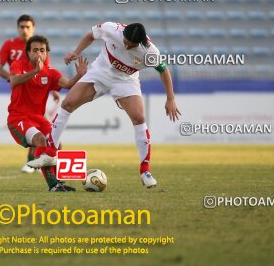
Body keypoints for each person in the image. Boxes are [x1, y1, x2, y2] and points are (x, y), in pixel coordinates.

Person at [44, 22, 181, 188]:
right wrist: (76, 52)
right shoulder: (112, 29)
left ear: (141, 42)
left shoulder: (150, 52)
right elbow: (90, 36)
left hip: (126, 80)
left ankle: (145, 170)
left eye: (131, 46)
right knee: (68, 103)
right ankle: (50, 152)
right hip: (101, 71)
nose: (126, 46)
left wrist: (171, 98)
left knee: (139, 118)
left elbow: (163, 71)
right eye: (125, 42)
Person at [7, 35, 88, 191]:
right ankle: (53, 186)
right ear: (28, 52)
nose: (39, 53)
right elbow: (14, 81)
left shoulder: (51, 72)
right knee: (40, 140)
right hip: (18, 117)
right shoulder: (18, 64)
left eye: (42, 50)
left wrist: (79, 75)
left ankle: (58, 182)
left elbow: (69, 84)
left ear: (47, 53)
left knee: (56, 143)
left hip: (38, 118)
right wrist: (35, 71)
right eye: (35, 50)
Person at [0, 14, 61, 173]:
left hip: (36, 91)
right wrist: (12, 79)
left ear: (33, 28)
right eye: (22, 27)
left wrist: (52, 90)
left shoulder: (40, 48)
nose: (24, 30)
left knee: (40, 128)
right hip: (19, 86)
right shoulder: (9, 45)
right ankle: (36, 162)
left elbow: (46, 72)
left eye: (28, 27)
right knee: (30, 125)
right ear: (17, 28)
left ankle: (34, 162)